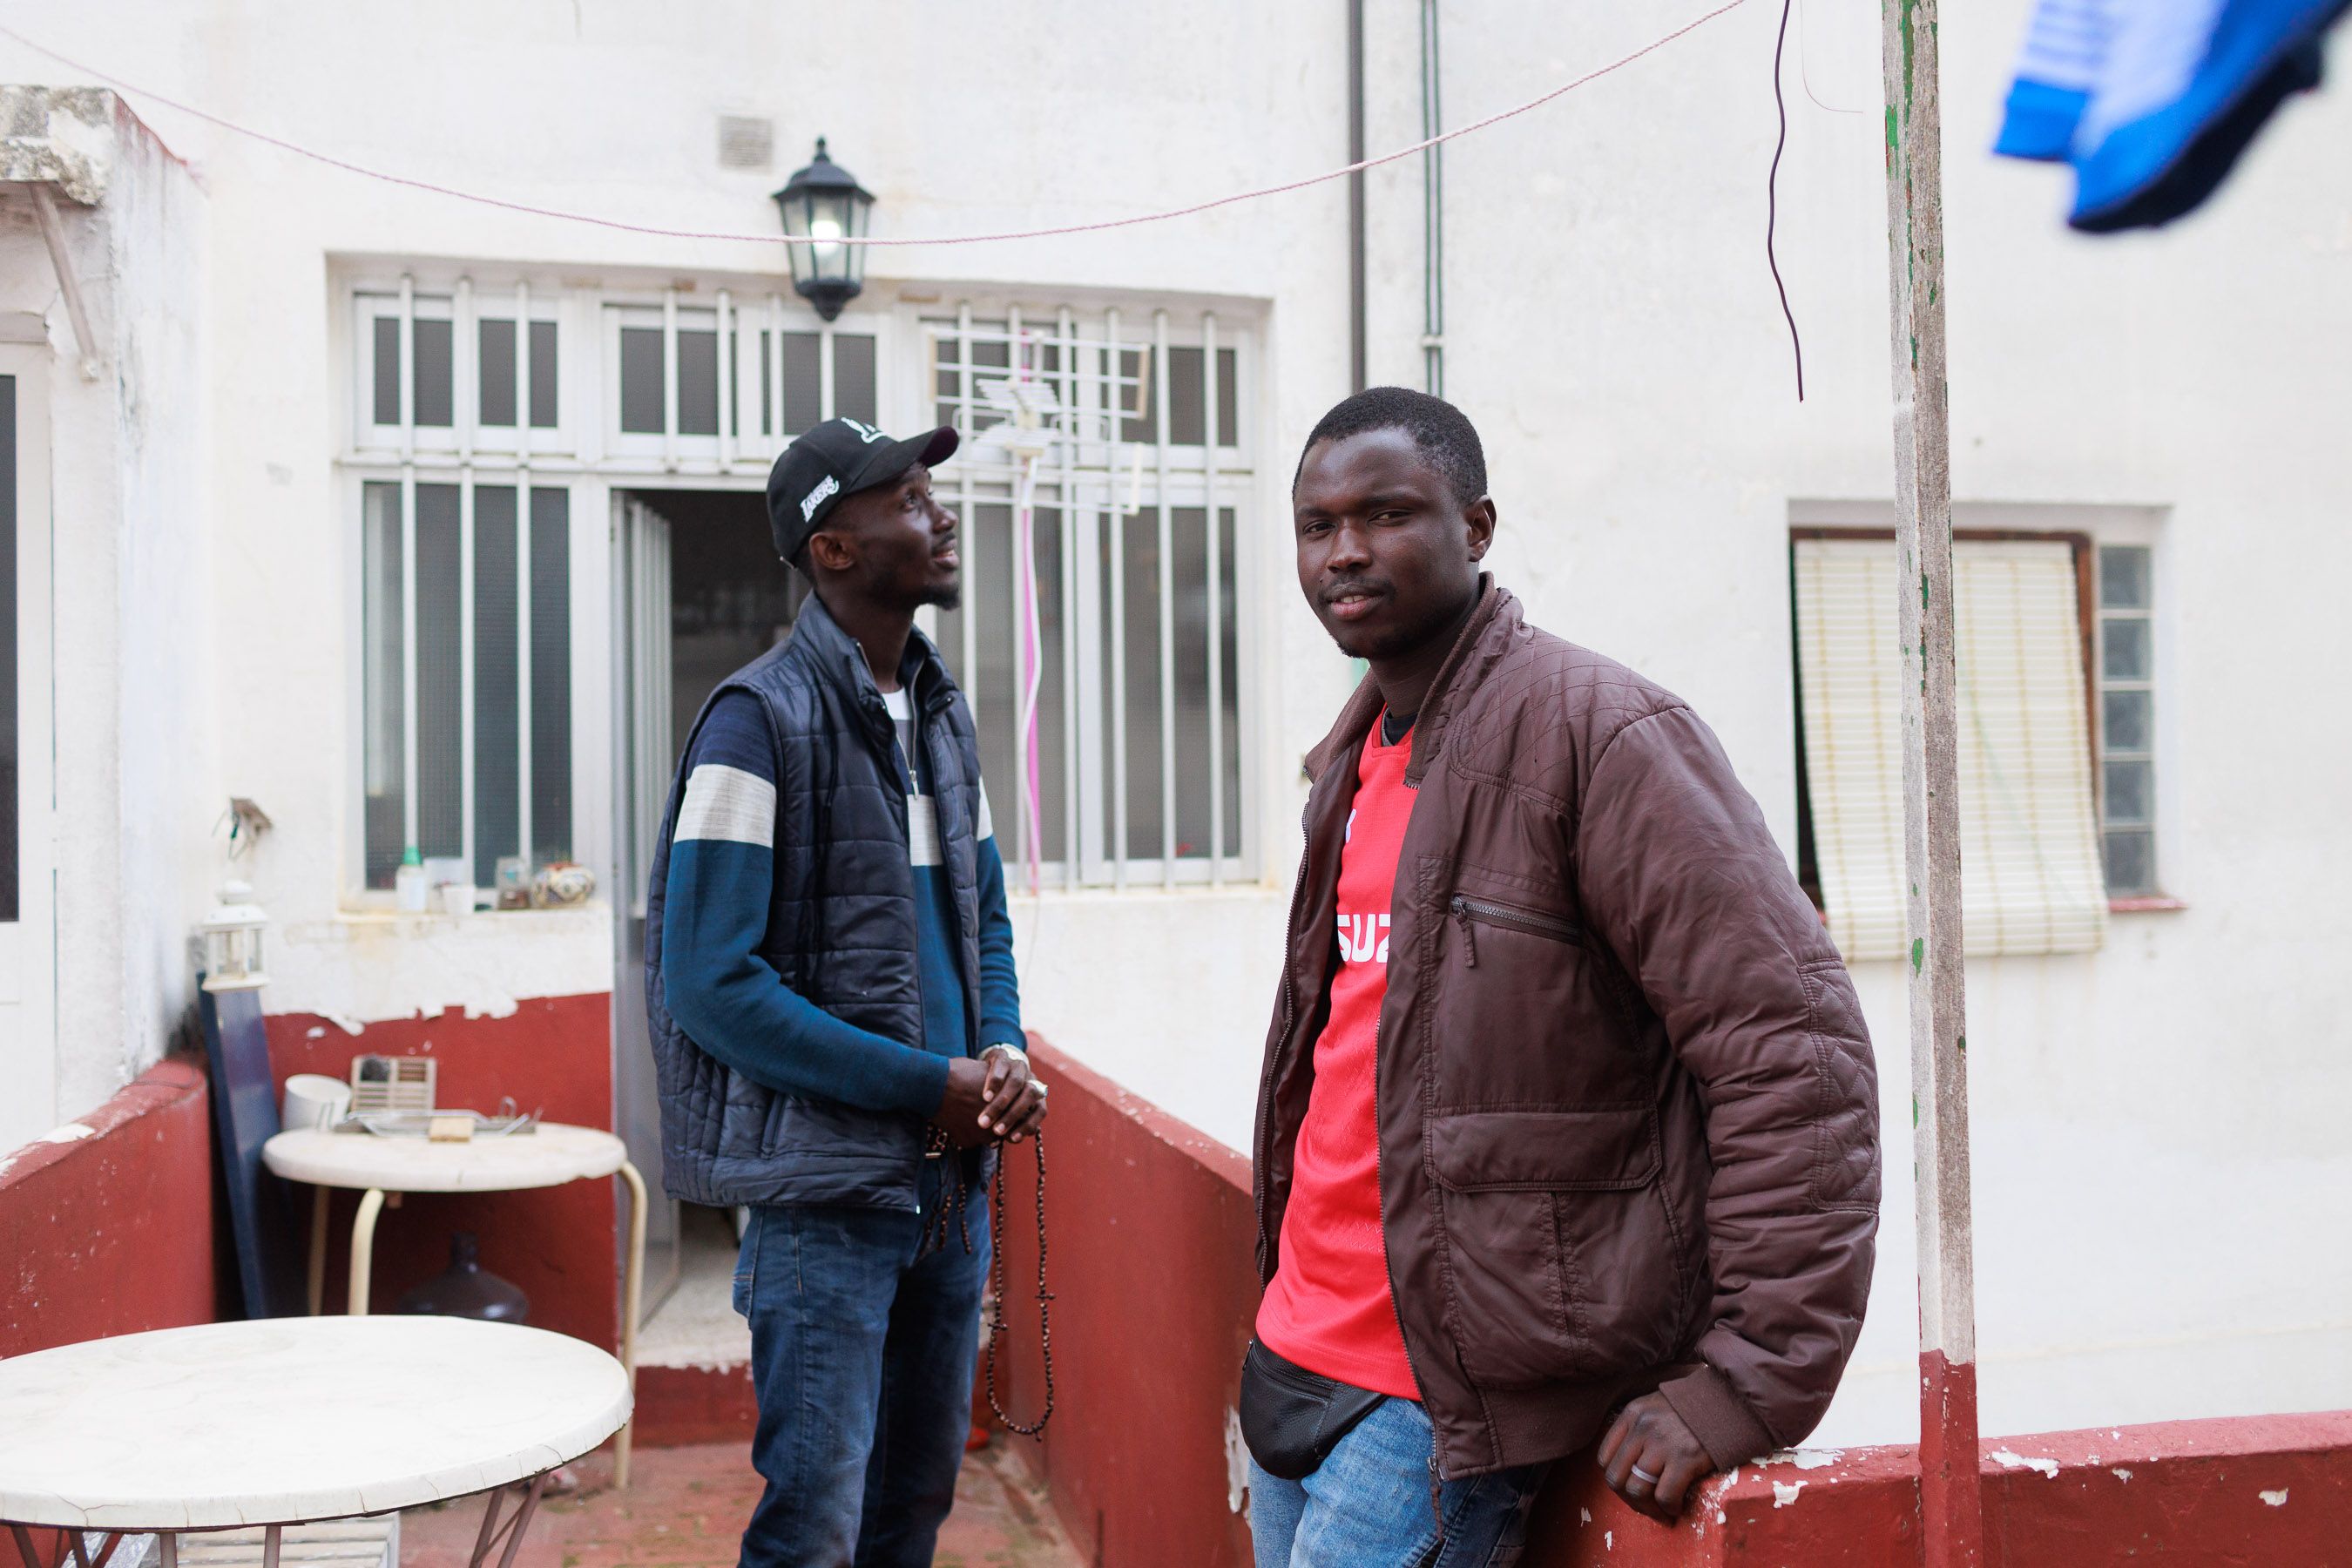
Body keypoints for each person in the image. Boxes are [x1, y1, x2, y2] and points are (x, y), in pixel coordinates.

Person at [1243, 388, 1881, 1565]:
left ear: (1475, 528)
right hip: (1292, 1357)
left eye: (1386, 514)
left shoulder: (1604, 736)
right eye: (1316, 523)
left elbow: (1793, 1054)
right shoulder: (1352, 760)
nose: (1345, 551)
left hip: (1436, 1408)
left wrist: (1748, 1380)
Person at [645, 416, 1048, 1567]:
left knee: (909, 1511)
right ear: (833, 546)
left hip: (947, 1201)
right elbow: (710, 982)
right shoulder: (755, 721)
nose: (943, 514)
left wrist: (1003, 1049)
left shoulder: (941, 715)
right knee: (811, 1530)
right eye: (912, 499)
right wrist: (933, 1084)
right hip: (824, 1210)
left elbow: (982, 918)